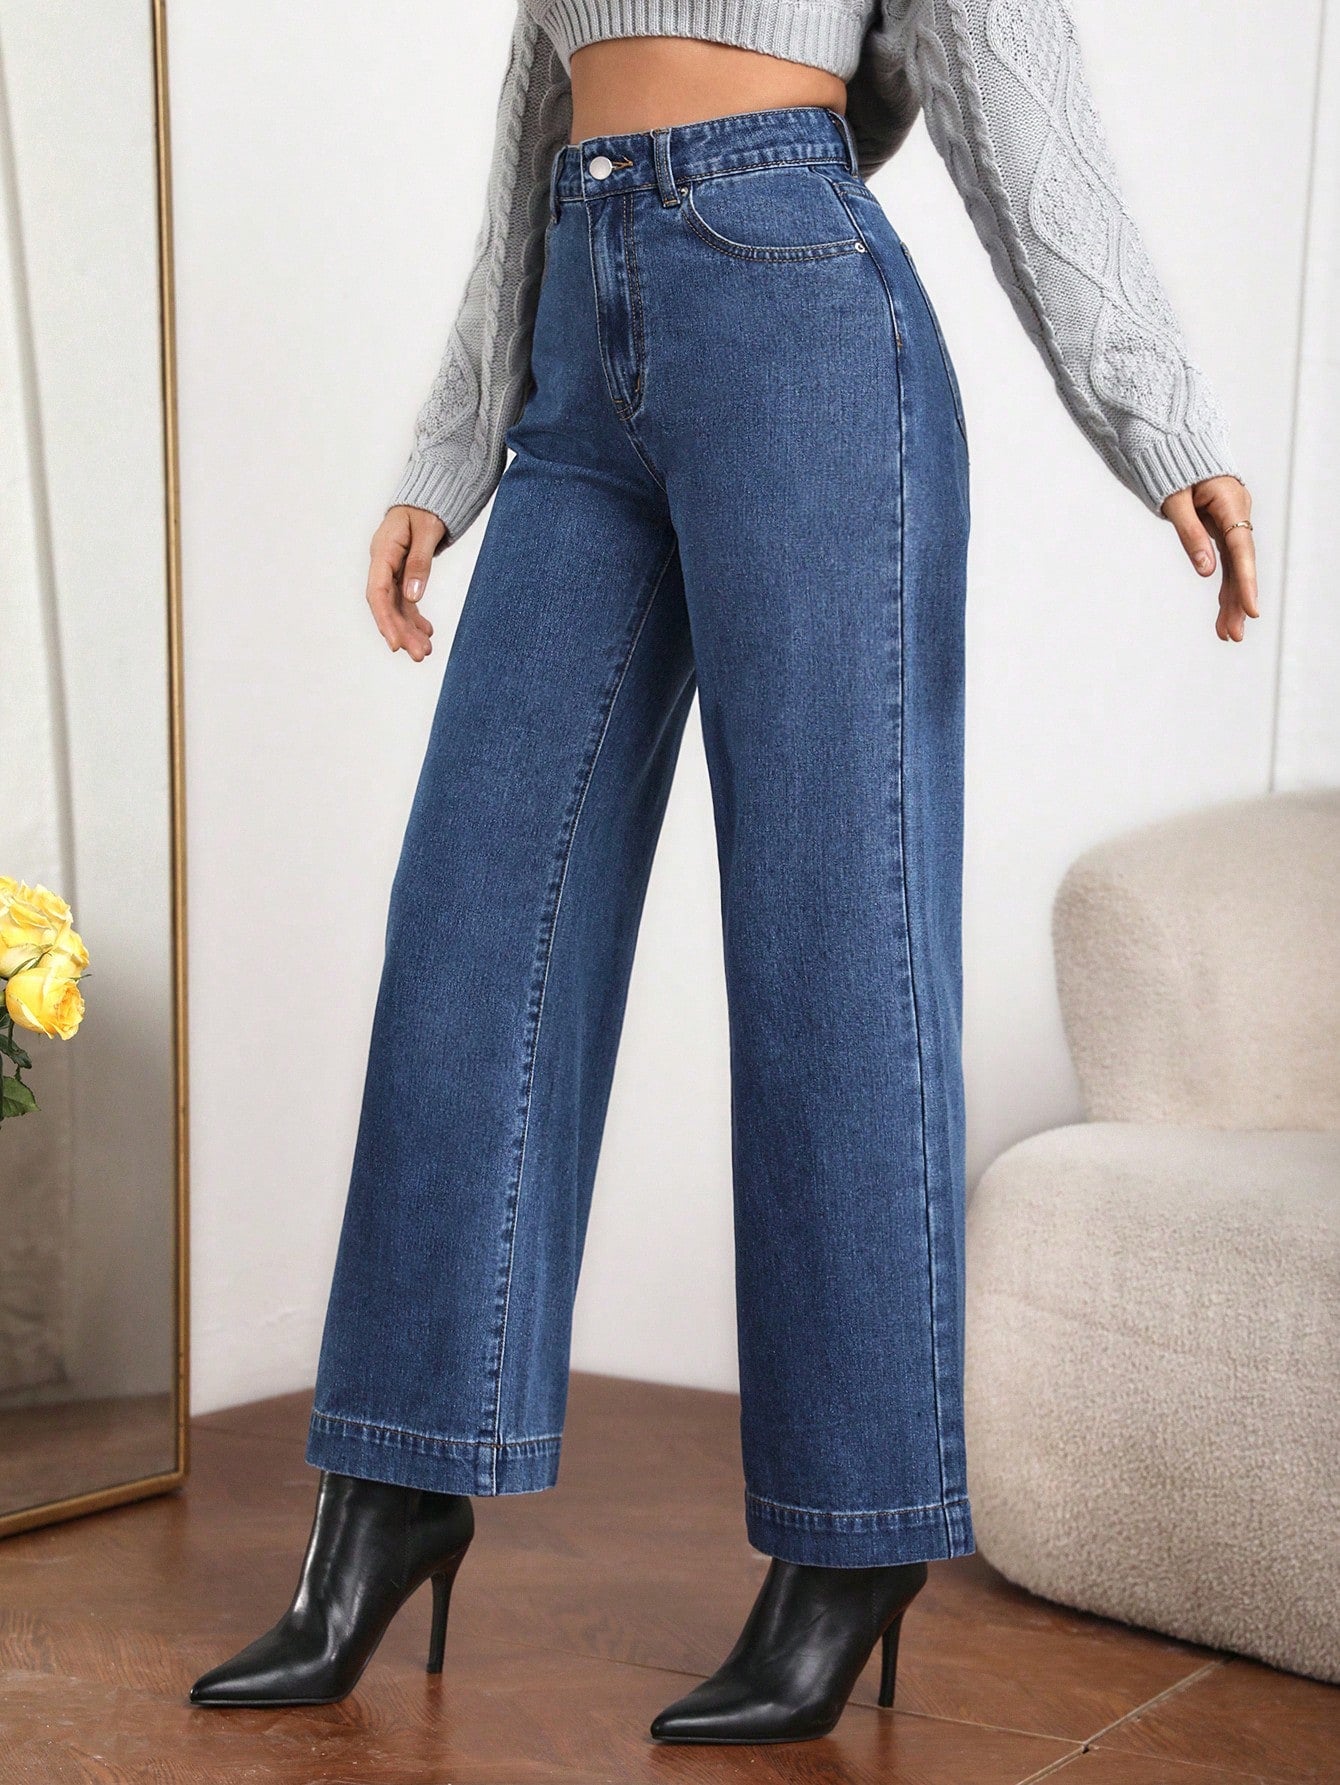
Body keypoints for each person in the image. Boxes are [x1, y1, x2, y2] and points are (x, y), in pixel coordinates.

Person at [188, 0, 1258, 1746]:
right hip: (581, 326)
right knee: (473, 925)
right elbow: (536, 120)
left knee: (832, 941)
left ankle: (854, 1531)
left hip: (800, 317)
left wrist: (1162, 418)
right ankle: (392, 1488)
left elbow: (1010, 79)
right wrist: (451, 445)